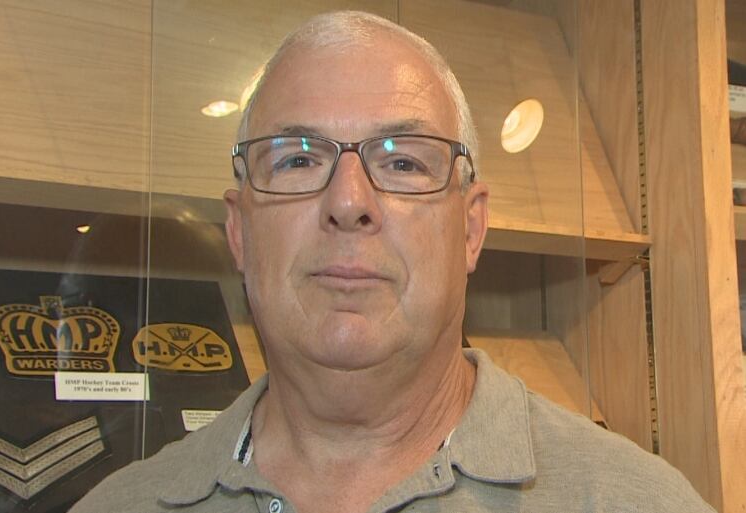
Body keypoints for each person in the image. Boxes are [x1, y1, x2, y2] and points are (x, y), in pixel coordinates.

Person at [71, 11, 715, 513]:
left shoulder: (636, 501)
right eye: (298, 159)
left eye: (403, 161)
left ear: (470, 227)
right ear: (239, 231)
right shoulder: (118, 504)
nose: (349, 201)